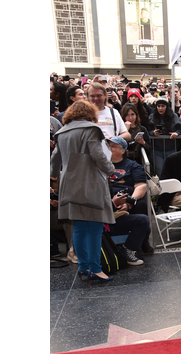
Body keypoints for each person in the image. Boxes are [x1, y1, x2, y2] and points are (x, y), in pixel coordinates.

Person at [50, 100, 116, 283]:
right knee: (95, 227)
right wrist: (111, 170)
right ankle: (95, 269)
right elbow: (98, 155)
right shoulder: (91, 129)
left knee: (78, 227)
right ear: (90, 114)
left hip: (69, 184)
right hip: (90, 183)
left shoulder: (61, 132)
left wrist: (54, 175)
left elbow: (55, 160)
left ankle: (83, 267)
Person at [105, 136, 153, 262]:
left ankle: (132, 248)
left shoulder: (132, 165)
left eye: (113, 146)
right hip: (105, 201)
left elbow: (141, 186)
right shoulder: (100, 165)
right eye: (108, 145)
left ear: (122, 150)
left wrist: (129, 201)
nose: (110, 148)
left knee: (143, 213)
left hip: (125, 198)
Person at [148, 97, 181, 176]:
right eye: (158, 106)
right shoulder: (152, 116)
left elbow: (180, 129)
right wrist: (153, 133)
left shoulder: (173, 116)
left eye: (163, 106)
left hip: (171, 149)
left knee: (172, 171)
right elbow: (147, 130)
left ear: (167, 106)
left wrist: (176, 133)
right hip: (156, 149)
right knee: (159, 172)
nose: (160, 108)